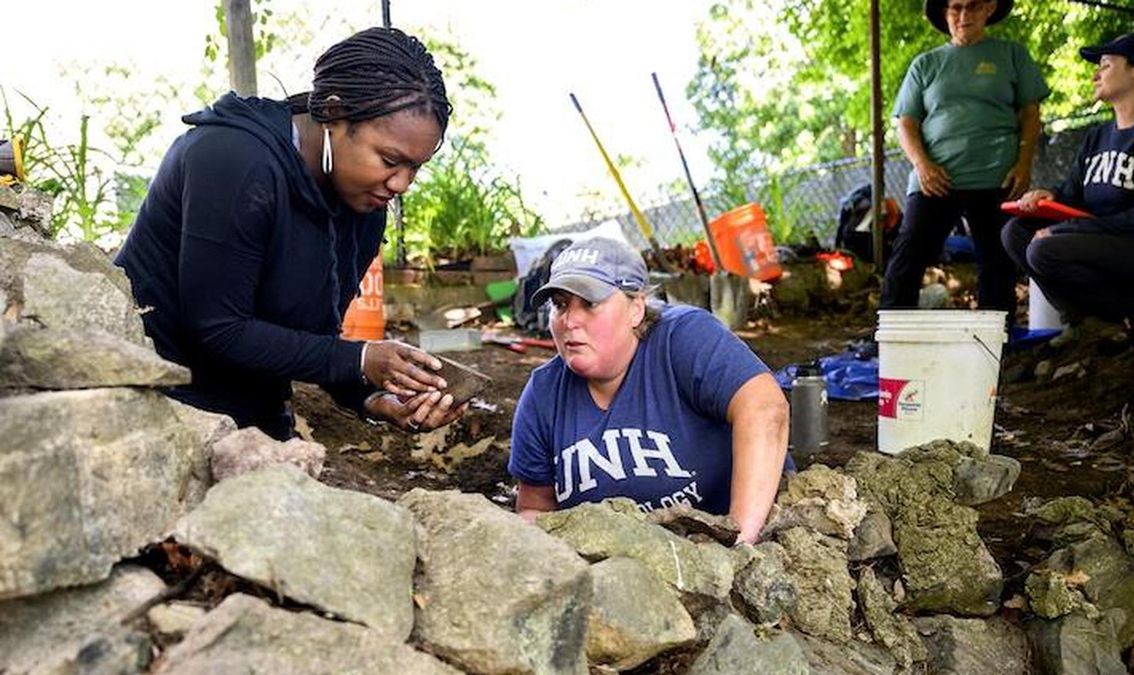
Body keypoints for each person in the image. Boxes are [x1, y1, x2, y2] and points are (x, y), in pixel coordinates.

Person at [115, 27, 466, 440]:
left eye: (415, 168)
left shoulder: (364, 202)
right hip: (157, 405)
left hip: (254, 410)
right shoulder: (235, 158)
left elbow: (313, 341)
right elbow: (217, 327)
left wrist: (373, 398)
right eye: (391, 159)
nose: (401, 184)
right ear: (334, 115)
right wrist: (360, 358)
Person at [507, 237, 790, 544]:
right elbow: (536, 508)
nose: (570, 320)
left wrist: (740, 546)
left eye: (589, 303)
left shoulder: (683, 339)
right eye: (560, 304)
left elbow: (764, 408)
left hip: (720, 549)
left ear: (636, 309)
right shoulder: (543, 394)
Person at [1001, 31, 1134, 335]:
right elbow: (1073, 196)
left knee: (1044, 249)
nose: (1095, 74)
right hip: (1111, 246)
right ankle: (1090, 320)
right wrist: (1048, 196)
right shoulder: (1097, 136)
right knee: (1015, 233)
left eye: (1105, 65)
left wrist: (1060, 231)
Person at [881, 0, 1049, 320]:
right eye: (955, 8)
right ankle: (889, 339)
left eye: (972, 6)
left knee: (997, 260)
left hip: (997, 177)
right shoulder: (925, 64)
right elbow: (906, 122)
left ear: (989, 8)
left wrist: (1024, 164)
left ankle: (995, 344)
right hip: (934, 178)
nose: (963, 15)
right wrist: (922, 165)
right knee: (907, 256)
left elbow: (1030, 112)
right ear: (945, 14)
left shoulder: (1012, 55)